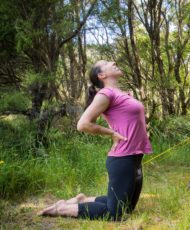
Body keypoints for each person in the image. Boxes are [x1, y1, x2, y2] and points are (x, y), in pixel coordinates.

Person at [37, 60, 153, 221]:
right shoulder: (106, 94)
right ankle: (64, 208)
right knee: (115, 214)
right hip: (122, 158)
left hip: (135, 157)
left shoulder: (121, 94)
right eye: (106, 62)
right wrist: (111, 133)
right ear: (102, 75)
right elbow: (83, 124)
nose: (113, 61)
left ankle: (83, 199)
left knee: (127, 208)